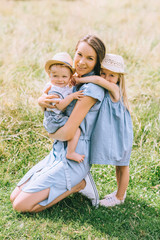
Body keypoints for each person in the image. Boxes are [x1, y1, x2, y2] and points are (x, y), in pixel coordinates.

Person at [10, 34, 106, 212]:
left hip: (74, 155)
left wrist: (50, 133)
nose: (82, 62)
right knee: (13, 196)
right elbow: (53, 103)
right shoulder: (70, 78)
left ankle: (80, 183)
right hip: (57, 151)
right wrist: (41, 101)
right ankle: (70, 181)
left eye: (90, 58)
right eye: (79, 54)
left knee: (20, 205)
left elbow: (69, 133)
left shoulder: (91, 90)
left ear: (97, 62)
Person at [72, 53, 133, 207]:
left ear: (119, 78)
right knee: (119, 165)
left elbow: (97, 80)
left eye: (111, 75)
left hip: (122, 134)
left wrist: (80, 79)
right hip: (116, 133)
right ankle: (120, 192)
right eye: (103, 73)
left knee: (123, 164)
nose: (106, 77)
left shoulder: (114, 89)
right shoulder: (106, 88)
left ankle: (119, 197)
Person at [43, 52, 85, 163]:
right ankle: (70, 153)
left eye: (64, 76)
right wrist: (72, 96)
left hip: (54, 118)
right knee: (76, 129)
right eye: (55, 76)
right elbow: (61, 105)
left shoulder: (62, 86)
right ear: (49, 75)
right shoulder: (54, 90)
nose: (60, 80)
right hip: (54, 119)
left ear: (70, 76)